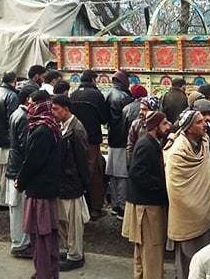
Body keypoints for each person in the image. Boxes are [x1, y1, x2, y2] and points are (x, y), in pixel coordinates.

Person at [165, 109, 210, 279]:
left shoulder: (204, 142)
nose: (205, 123)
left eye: (204, 120)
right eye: (199, 122)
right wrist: (198, 208)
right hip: (190, 217)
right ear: (188, 128)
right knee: (190, 263)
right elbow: (177, 191)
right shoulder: (177, 153)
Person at [15, 91, 62, 279]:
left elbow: (33, 161)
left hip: (40, 191)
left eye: (32, 103)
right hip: (46, 188)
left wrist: (21, 181)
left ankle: (44, 273)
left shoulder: (42, 129)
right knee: (45, 235)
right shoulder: (50, 124)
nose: (30, 106)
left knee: (41, 236)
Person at [122, 111, 172, 279]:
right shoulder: (146, 144)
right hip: (147, 206)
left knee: (143, 249)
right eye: (164, 124)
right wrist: (161, 186)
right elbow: (137, 173)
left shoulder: (150, 142)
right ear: (156, 125)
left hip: (146, 203)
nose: (168, 126)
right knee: (152, 250)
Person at [52, 94, 91, 271]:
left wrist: (83, 185)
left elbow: (83, 161)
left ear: (66, 109)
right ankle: (69, 250)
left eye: (56, 109)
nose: (53, 112)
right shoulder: (63, 126)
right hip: (62, 183)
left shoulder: (77, 129)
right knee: (62, 221)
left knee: (74, 224)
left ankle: (75, 255)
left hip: (72, 184)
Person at [69, 70, 109, 219]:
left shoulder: (73, 94)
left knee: (78, 170)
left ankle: (80, 206)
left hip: (74, 139)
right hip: (92, 139)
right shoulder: (96, 95)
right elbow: (104, 118)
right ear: (93, 80)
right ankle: (95, 208)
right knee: (95, 173)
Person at [6, 86, 35, 258]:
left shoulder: (16, 114)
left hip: (14, 167)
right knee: (19, 208)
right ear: (27, 100)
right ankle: (20, 244)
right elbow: (25, 147)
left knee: (17, 208)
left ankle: (20, 242)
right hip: (18, 169)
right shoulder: (24, 117)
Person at [0, 71, 20, 208]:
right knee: (5, 172)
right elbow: (11, 120)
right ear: (14, 80)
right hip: (6, 140)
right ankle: (3, 201)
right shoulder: (12, 96)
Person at [106, 70, 134, 220]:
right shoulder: (124, 96)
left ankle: (115, 205)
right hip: (122, 139)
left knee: (113, 174)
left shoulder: (109, 93)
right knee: (122, 174)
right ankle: (122, 207)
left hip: (112, 138)